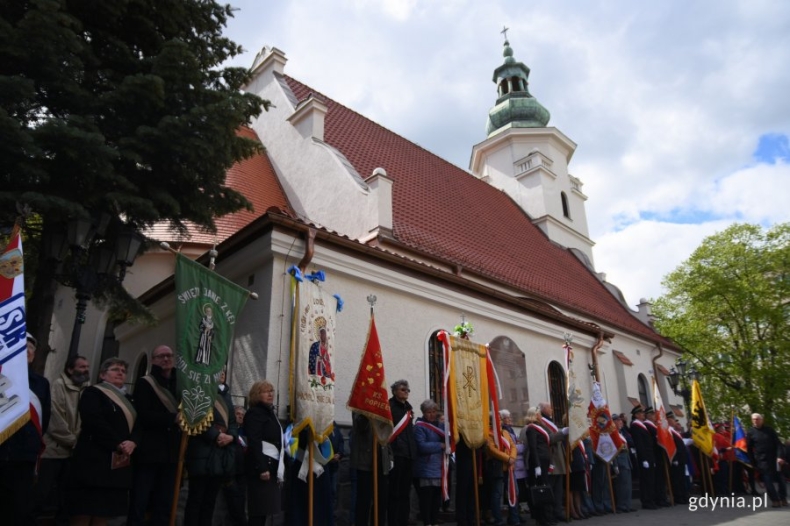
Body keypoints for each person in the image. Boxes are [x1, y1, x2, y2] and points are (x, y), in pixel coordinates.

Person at [66, 357, 137, 526]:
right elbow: (93, 420)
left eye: (123, 371)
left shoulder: (130, 399)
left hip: (117, 462)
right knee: (83, 511)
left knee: (104, 512)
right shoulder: (93, 393)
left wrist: (133, 442)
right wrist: (117, 442)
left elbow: (138, 425)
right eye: (115, 369)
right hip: (93, 460)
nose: (120, 373)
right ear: (103, 375)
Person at [0, 332, 51, 524]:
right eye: (22, 347)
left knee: (18, 510)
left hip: (23, 456)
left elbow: (44, 419)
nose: (27, 351)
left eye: (31, 348)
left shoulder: (41, 384)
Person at [128, 345, 181, 526]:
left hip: (172, 451)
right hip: (150, 450)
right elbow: (144, 415)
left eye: (169, 355)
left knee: (165, 500)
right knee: (140, 498)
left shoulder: (180, 383)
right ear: (153, 360)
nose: (166, 359)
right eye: (161, 356)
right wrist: (172, 419)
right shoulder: (145, 383)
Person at [37, 354, 89, 524]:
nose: (86, 370)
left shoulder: (86, 389)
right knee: (42, 492)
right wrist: (73, 441)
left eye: (87, 367)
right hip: (54, 450)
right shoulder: (58, 386)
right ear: (70, 369)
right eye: (82, 367)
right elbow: (55, 419)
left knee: (65, 495)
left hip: (72, 452)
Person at [184, 377, 238, 526]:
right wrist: (215, 435)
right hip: (201, 453)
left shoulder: (226, 396)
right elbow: (196, 416)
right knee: (196, 501)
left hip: (219, 455)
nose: (221, 373)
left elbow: (232, 422)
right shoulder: (200, 389)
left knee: (209, 503)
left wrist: (231, 437)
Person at [245, 380, 283, 526]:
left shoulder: (270, 413)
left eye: (271, 391)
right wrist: (261, 467)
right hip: (261, 468)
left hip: (271, 465)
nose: (270, 394)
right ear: (257, 394)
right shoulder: (255, 413)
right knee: (258, 512)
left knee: (264, 510)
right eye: (266, 391)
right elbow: (254, 441)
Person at [350, 411, 392, 526]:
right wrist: (369, 411)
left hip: (381, 461)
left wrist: (389, 455)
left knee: (381, 501)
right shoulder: (359, 407)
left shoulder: (382, 406)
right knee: (364, 501)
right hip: (365, 461)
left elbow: (386, 433)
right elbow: (361, 426)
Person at [388, 379, 417, 526]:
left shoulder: (409, 409)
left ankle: (403, 521)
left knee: (405, 492)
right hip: (396, 453)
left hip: (408, 454)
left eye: (407, 390)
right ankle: (393, 521)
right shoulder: (389, 406)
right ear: (394, 391)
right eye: (403, 389)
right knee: (394, 491)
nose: (406, 392)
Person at [414, 399, 445, 526]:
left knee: (436, 499)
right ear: (423, 413)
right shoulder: (419, 427)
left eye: (434, 411)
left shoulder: (440, 426)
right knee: (426, 499)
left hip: (439, 467)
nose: (432, 414)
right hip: (425, 468)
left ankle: (434, 521)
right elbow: (421, 446)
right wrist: (440, 445)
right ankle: (427, 523)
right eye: (429, 412)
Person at [522, 407, 555, 526]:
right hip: (538, 462)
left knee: (545, 488)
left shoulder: (540, 427)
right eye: (539, 414)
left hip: (544, 461)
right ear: (535, 415)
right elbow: (533, 447)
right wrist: (536, 465)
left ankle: (547, 517)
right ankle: (541, 518)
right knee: (540, 490)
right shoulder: (531, 428)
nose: (541, 416)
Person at [746, 413, 787, 508]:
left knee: (781, 480)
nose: (755, 421)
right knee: (767, 481)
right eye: (753, 419)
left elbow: (778, 444)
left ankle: (783, 497)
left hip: (774, 459)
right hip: (762, 461)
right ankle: (775, 500)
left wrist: (780, 456)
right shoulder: (750, 432)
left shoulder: (769, 430)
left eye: (757, 419)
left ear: (762, 420)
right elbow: (749, 449)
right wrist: (753, 462)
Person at [223, 405, 248, 526]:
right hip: (230, 471)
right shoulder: (227, 430)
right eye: (238, 414)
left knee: (241, 499)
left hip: (242, 471)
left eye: (242, 415)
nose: (240, 416)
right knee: (233, 500)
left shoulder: (246, 431)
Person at [629, 405, 656, 510]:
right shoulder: (635, 426)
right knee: (646, 480)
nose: (643, 414)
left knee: (650, 479)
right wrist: (644, 459)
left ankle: (651, 500)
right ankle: (646, 501)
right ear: (636, 415)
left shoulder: (641, 425)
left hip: (649, 455)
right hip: (644, 456)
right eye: (641, 413)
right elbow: (639, 444)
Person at [501, 409, 524, 525]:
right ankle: (514, 517)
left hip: (514, 463)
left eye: (510, 417)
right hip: (507, 464)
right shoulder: (504, 431)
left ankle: (515, 515)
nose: (510, 419)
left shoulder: (510, 430)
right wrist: (511, 457)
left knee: (516, 491)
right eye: (507, 418)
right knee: (511, 491)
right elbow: (511, 447)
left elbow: (515, 446)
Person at [664, 412, 688, 504]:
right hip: (676, 458)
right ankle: (678, 496)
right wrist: (674, 458)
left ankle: (683, 495)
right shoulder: (668, 431)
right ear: (668, 420)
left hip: (681, 458)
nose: (675, 421)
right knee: (676, 479)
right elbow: (671, 446)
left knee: (681, 478)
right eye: (673, 419)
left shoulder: (674, 431)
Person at [611, 414, 634, 513]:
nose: (620, 422)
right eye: (618, 420)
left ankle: (628, 504)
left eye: (620, 420)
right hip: (620, 461)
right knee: (621, 485)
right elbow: (613, 450)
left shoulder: (621, 433)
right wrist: (615, 464)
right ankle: (621, 505)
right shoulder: (613, 434)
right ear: (613, 422)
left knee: (628, 485)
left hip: (626, 461)